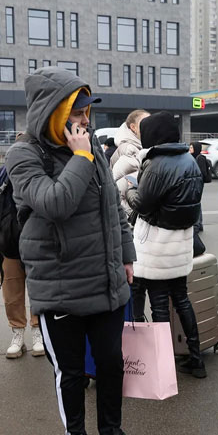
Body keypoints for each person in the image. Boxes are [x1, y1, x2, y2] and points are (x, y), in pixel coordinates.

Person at [6, 66, 134, 435]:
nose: (84, 121)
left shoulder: (90, 145)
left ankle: (112, 430)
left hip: (104, 281)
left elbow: (113, 207)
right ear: (53, 112)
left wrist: (126, 256)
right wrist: (80, 158)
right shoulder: (24, 155)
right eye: (76, 113)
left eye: (86, 112)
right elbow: (55, 203)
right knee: (72, 374)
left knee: (111, 365)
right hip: (59, 288)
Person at [125, 111, 206, 379]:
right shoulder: (190, 161)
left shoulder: (157, 163)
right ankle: (196, 359)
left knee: (159, 305)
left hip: (157, 246)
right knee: (182, 300)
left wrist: (128, 188)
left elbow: (142, 203)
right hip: (180, 244)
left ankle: (163, 366)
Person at [110, 109, 149, 322]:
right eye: (144, 122)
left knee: (137, 282)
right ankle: (135, 324)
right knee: (136, 281)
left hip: (133, 224)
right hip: (131, 226)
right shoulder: (129, 151)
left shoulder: (138, 148)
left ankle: (135, 322)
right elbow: (113, 192)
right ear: (133, 127)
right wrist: (131, 214)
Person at [3, 256, 44, 358]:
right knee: (11, 287)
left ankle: (38, 330)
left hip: (35, 243)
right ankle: (18, 332)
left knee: (38, 285)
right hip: (10, 245)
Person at [189, 141, 212, 234]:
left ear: (196, 148)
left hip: (198, 184)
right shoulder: (194, 158)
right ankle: (199, 224)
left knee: (196, 203)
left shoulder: (200, 158)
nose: (190, 149)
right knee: (197, 203)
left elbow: (202, 172)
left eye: (191, 147)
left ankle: (197, 225)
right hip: (196, 183)